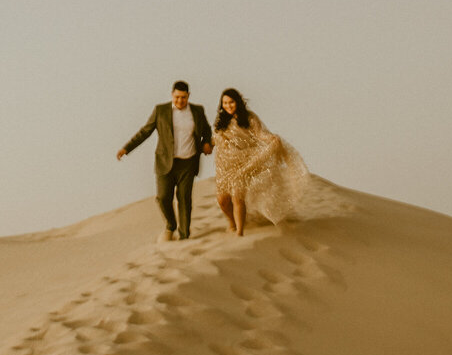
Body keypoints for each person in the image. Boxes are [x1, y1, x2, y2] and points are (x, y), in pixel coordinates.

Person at [117, 80, 213, 241]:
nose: (180, 101)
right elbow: (145, 131)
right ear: (172, 95)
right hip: (165, 161)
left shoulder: (197, 111)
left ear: (188, 96)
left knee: (184, 199)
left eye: (183, 97)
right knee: (162, 197)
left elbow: (206, 130)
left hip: (188, 162)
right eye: (177, 97)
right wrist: (127, 148)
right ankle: (171, 225)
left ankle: (184, 235)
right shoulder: (161, 111)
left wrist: (206, 143)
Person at [213, 88, 308, 236]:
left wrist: (272, 139)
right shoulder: (222, 120)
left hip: (245, 163)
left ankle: (239, 232)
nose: (228, 106)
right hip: (225, 165)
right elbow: (217, 138)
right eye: (225, 103)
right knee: (222, 200)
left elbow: (260, 134)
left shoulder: (249, 118)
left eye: (231, 102)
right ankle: (231, 222)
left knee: (237, 197)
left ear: (237, 102)